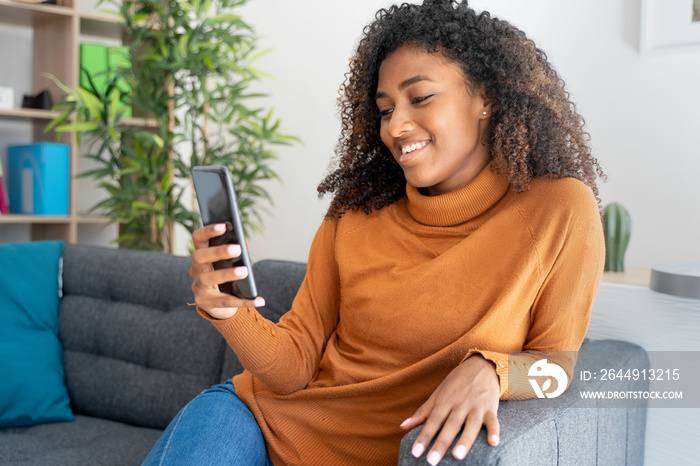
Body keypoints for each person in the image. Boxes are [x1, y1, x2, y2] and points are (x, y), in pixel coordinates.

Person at [143, 1, 605, 465]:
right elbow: (293, 367)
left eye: (420, 98)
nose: (397, 127)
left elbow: (558, 366)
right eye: (385, 110)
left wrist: (493, 371)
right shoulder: (355, 212)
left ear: (485, 97)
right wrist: (227, 311)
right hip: (252, 422)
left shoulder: (558, 209)